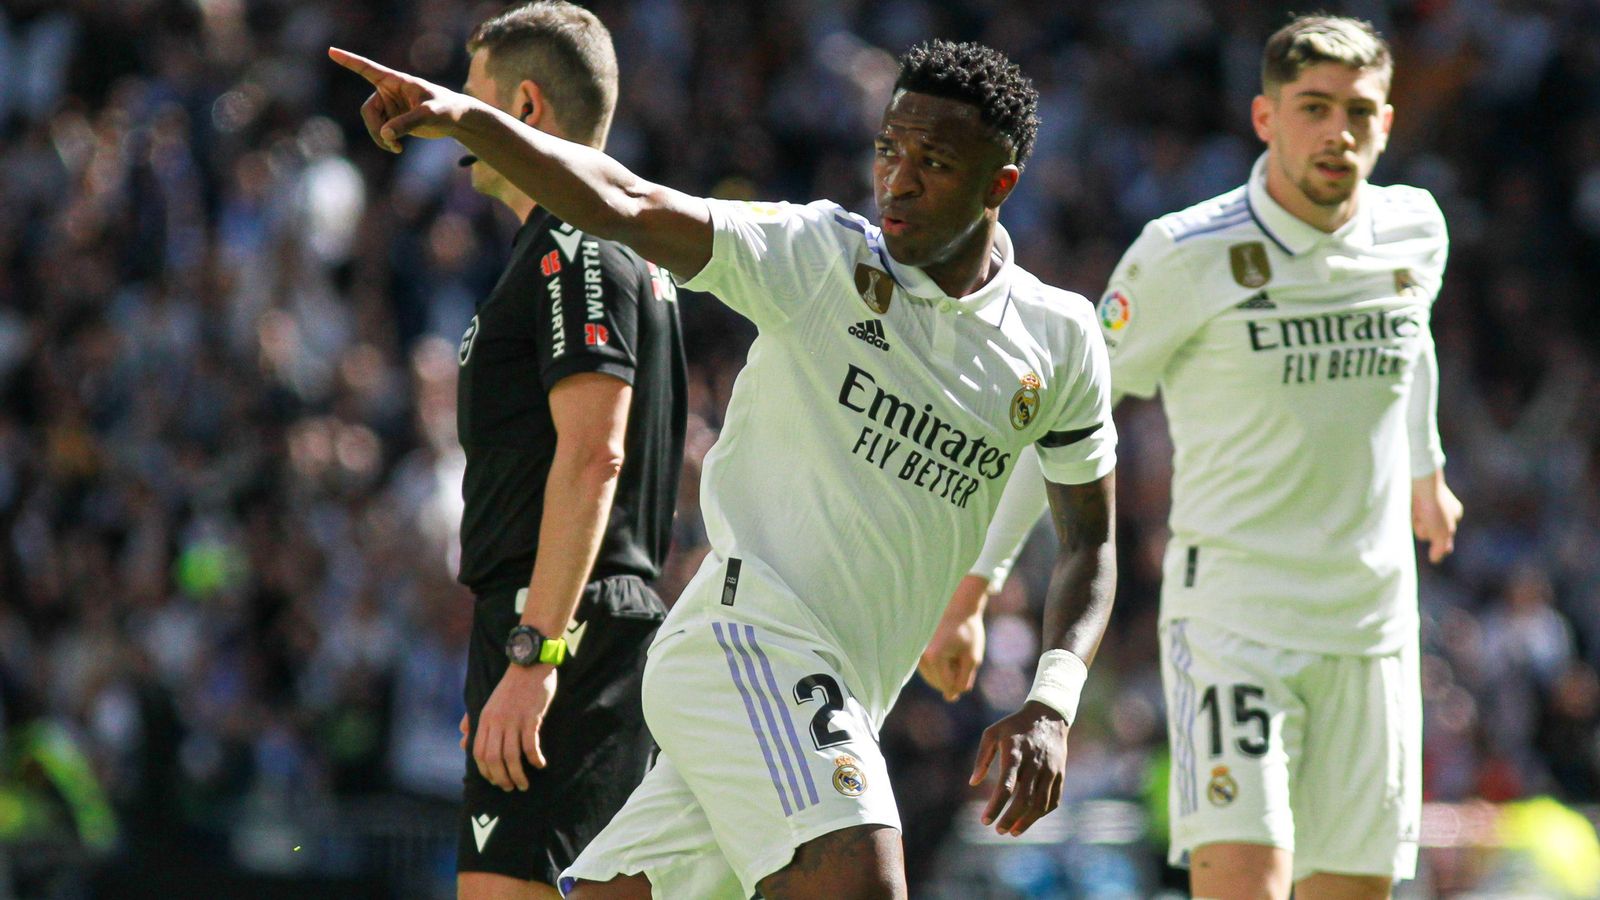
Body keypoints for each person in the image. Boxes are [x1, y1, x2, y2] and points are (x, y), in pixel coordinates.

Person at [331, 37, 1119, 899]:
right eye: (890, 149)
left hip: (846, 692)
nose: (899, 180)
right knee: (860, 883)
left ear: (999, 186)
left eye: (934, 162)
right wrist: (475, 123)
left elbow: (1089, 542)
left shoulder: (1060, 337)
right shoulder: (822, 259)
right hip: (750, 642)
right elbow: (626, 201)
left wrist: (1050, 700)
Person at [970, 14, 1463, 899]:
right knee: (1247, 881)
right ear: (1266, 118)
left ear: (1387, 123)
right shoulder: (1183, 254)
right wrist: (980, 576)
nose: (1338, 132)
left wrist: (1426, 471)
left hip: (1373, 626)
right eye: (1314, 107)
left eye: (1359, 111)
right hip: (1238, 625)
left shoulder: (1414, 229)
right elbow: (1067, 408)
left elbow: (1412, 341)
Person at [438, 4, 687, 898]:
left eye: (471, 103)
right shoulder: (594, 245)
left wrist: (534, 655)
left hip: (564, 627)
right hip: (574, 621)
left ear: (528, 108)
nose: (455, 127)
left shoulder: (576, 244)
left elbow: (594, 457)